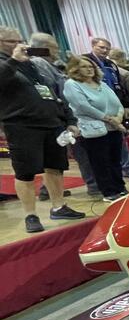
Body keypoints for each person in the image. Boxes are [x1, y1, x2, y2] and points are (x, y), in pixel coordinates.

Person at [0, 27, 85, 231]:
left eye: (20, 40)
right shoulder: (8, 64)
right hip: (22, 126)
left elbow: (51, 92)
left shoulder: (31, 64)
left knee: (55, 167)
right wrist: (14, 60)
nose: (20, 44)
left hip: (51, 122)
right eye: (13, 41)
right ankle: (31, 215)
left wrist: (69, 119)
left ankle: (59, 206)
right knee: (25, 172)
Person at [29, 31, 98, 198]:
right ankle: (93, 185)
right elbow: (51, 90)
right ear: (44, 48)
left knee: (57, 157)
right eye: (54, 47)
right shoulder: (39, 63)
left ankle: (47, 189)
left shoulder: (49, 64)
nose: (58, 51)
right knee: (78, 152)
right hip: (58, 116)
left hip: (59, 115)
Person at [62, 55, 129, 204]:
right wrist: (109, 119)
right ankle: (109, 191)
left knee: (115, 160)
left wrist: (118, 118)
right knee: (100, 162)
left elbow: (117, 103)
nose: (89, 69)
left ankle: (120, 187)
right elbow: (83, 106)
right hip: (94, 129)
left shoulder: (101, 84)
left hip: (113, 127)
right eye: (84, 67)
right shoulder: (72, 84)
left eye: (91, 66)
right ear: (75, 69)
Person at [85, 37, 129, 179]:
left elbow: (119, 86)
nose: (105, 51)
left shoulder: (111, 65)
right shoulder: (86, 61)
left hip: (114, 107)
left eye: (107, 48)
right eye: (101, 47)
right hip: (95, 109)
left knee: (117, 140)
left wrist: (125, 105)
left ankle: (128, 170)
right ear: (93, 46)